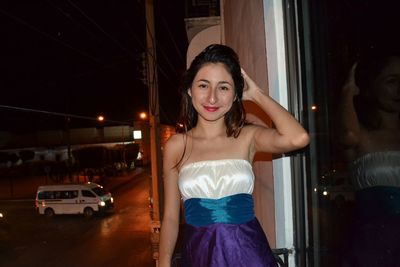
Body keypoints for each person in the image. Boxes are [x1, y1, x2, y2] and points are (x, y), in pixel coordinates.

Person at [159, 44, 310, 267]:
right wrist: (163, 262)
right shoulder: (176, 146)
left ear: (235, 95)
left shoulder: (248, 137)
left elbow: (298, 138)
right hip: (200, 256)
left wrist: (257, 94)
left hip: (249, 254)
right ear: (190, 90)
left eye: (223, 88)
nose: (212, 98)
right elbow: (171, 217)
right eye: (203, 85)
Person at [339, 49, 400, 266]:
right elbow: (348, 135)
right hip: (373, 244)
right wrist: (348, 92)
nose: (399, 89)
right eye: (392, 81)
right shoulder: (362, 135)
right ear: (372, 86)